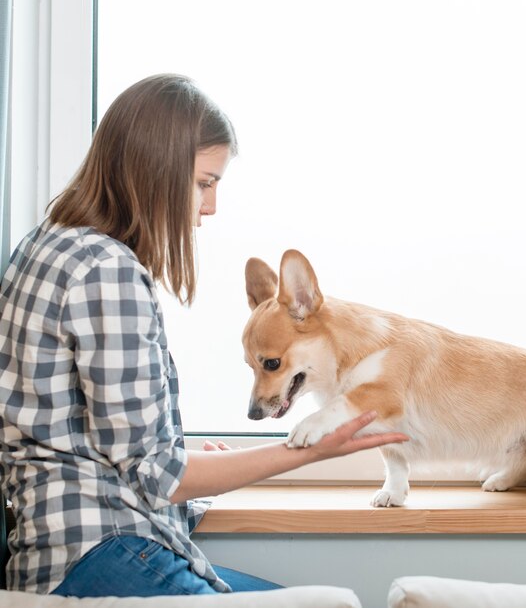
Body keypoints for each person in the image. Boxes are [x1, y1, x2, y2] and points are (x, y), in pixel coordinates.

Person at [0, 74, 408, 597]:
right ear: (154, 170)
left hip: (66, 549)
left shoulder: (48, 241)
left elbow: (95, 440)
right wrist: (306, 451)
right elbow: (160, 478)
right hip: (100, 552)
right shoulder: (107, 270)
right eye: (204, 183)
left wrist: (190, 456)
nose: (209, 207)